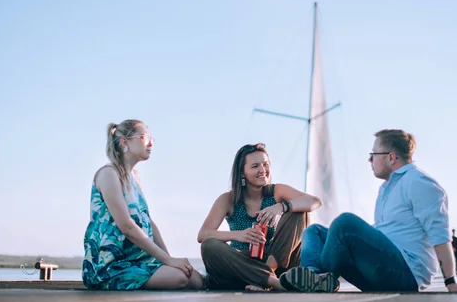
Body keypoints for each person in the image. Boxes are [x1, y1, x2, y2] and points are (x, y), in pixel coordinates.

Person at [279, 129, 457, 293]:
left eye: (373, 155)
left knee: (344, 223)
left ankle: (316, 278)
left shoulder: (419, 182)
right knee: (314, 231)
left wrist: (451, 282)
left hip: (404, 275)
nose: (370, 160)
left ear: (391, 157)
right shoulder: (387, 188)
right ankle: (314, 277)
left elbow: (440, 235)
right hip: (379, 270)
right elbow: (387, 232)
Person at [83, 120, 203, 290]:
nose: (151, 143)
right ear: (125, 142)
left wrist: (170, 259)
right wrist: (168, 261)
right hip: (110, 267)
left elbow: (149, 222)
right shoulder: (108, 174)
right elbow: (127, 227)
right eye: (144, 137)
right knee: (179, 278)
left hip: (139, 262)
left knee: (196, 279)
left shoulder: (135, 177)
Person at [198, 143, 323, 291]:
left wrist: (281, 206)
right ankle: (270, 281)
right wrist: (239, 235)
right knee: (209, 245)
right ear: (242, 172)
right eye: (255, 166)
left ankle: (267, 278)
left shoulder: (276, 191)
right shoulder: (228, 199)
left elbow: (315, 201)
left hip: (276, 264)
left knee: (299, 210)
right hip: (242, 267)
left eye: (266, 164)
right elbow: (203, 235)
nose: (263, 170)